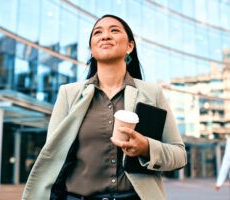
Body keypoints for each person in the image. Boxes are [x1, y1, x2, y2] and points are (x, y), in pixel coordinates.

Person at [22, 14, 187, 200]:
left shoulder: (152, 93)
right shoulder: (68, 94)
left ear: (130, 46)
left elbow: (179, 155)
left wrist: (146, 148)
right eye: (97, 32)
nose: (105, 36)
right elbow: (53, 156)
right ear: (91, 49)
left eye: (114, 30)